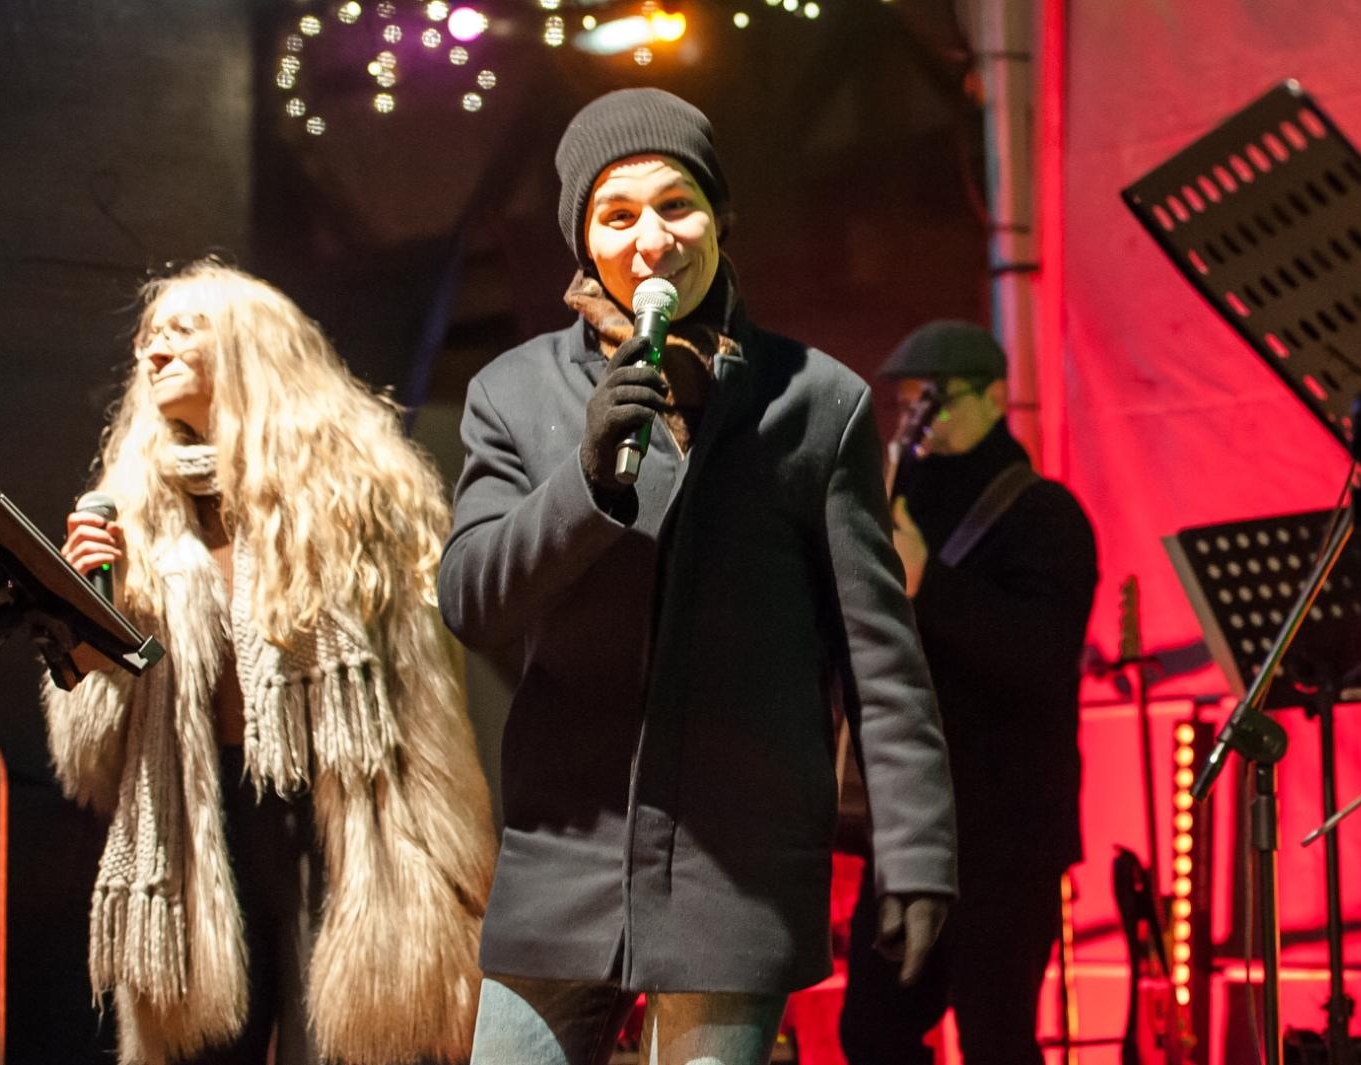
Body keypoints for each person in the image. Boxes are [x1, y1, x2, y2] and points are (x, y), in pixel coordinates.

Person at [435, 87, 959, 1065]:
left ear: (720, 216)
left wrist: (918, 853)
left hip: (738, 868)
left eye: (675, 205)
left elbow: (879, 660)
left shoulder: (815, 402)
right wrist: (583, 481)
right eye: (616, 215)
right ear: (582, 239)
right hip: (564, 858)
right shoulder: (511, 393)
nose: (651, 240)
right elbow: (469, 600)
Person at [44, 260, 497, 1065]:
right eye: (148, 338)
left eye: (183, 332)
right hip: (195, 817)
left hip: (339, 815)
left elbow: (422, 705)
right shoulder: (135, 512)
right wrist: (84, 609)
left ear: (253, 352)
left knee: (339, 1046)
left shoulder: (356, 495)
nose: (153, 352)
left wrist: (451, 868)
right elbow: (89, 759)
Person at [840, 322, 1097, 1065]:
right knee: (872, 1033)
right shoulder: (903, 499)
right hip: (910, 830)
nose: (917, 416)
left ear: (995, 396)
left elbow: (1040, 659)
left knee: (997, 1036)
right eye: (907, 401)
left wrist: (931, 587)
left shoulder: (1044, 515)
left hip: (1006, 836)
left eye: (936, 399)